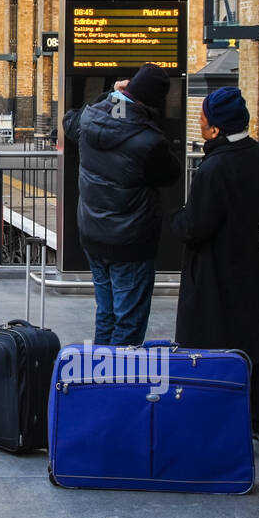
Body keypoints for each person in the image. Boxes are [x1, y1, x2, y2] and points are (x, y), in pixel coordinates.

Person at [170, 87, 259, 447]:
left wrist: (174, 220)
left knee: (210, 347)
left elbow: (196, 226)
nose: (199, 123)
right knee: (254, 347)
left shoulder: (215, 167)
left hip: (219, 275)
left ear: (214, 130)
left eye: (203, 119)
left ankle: (209, 415)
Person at [61, 64, 183, 346]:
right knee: (129, 319)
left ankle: (98, 377)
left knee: (106, 313)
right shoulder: (149, 141)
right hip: (130, 242)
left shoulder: (91, 118)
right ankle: (119, 381)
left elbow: (70, 122)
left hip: (93, 234)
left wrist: (110, 95)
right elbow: (172, 174)